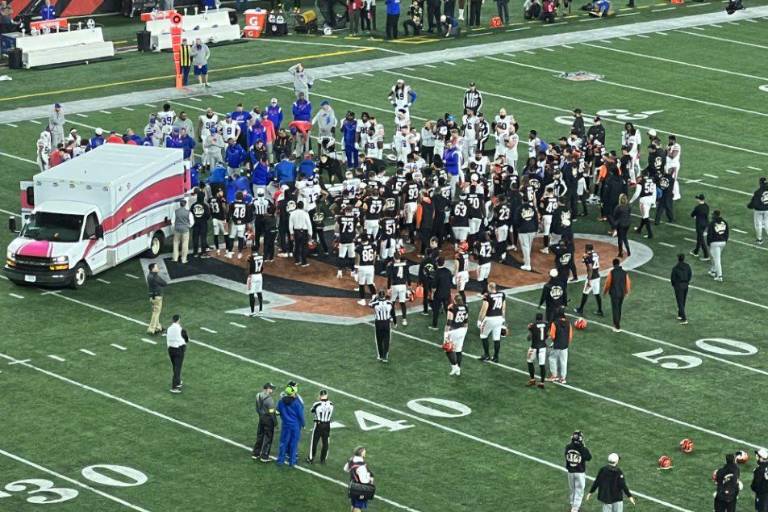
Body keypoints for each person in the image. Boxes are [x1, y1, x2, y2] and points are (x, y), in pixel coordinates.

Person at [276, 385, 305, 466]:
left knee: (283, 443)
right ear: (292, 393)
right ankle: (292, 462)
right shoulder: (296, 403)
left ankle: (280, 461)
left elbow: (277, 412)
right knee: (293, 443)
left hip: (285, 425)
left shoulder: (281, 401)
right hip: (295, 426)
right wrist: (303, 424)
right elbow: (300, 415)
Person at [478, 282, 506, 363]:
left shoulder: (488, 296)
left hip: (490, 318)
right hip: (499, 318)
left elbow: (484, 309)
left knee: (483, 335)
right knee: (497, 338)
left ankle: (486, 355)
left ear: (489, 287)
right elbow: (504, 308)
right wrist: (503, 319)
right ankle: (496, 357)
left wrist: (480, 320)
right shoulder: (502, 294)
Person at [565, 431, 592, 512]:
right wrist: (583, 446)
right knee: (579, 490)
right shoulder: (582, 448)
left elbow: (566, 455)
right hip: (580, 472)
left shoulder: (568, 447)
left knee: (572, 489)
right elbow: (589, 458)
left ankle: (572, 504)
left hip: (570, 472)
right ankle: (575, 508)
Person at [574, 244, 603, 317]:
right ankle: (600, 310)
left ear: (586, 249)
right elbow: (586, 261)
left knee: (585, 293)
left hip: (592, 278)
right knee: (597, 294)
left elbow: (590, 268)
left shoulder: (588, 256)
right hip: (597, 277)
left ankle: (580, 309)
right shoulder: (595, 254)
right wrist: (585, 258)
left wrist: (589, 280)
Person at [603, 258, 631, 333]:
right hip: (622, 293)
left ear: (613, 264)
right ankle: (617, 323)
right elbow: (628, 282)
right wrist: (627, 292)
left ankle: (616, 325)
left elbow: (608, 283)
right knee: (619, 308)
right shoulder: (624, 273)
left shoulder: (612, 272)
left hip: (614, 294)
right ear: (619, 264)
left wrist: (605, 292)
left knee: (615, 309)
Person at [307, 390, 334, 464]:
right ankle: (323, 459)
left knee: (314, 442)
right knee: (326, 442)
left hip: (319, 424)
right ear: (327, 395)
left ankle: (311, 458)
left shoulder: (317, 404)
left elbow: (312, 410)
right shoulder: (331, 404)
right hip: (327, 424)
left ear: (320, 395)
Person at [444, 294, 469, 376]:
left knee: (448, 349)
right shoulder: (465, 307)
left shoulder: (452, 307)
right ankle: (458, 370)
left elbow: (449, 322)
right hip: (462, 329)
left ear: (454, 300)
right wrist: (465, 331)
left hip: (453, 330)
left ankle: (455, 367)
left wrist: (446, 334)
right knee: (458, 350)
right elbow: (466, 321)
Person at [252, 383, 277, 462]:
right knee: (268, 438)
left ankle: (255, 453)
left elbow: (257, 408)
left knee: (260, 436)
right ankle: (264, 456)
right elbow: (272, 413)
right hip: (268, 420)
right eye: (271, 388)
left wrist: (261, 415)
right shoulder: (269, 400)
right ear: (268, 389)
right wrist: (275, 422)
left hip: (261, 418)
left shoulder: (258, 395)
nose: (272, 390)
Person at [345, 446, 374, 512]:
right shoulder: (361, 465)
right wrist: (370, 479)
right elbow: (363, 481)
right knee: (358, 507)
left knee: (353, 504)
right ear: (361, 454)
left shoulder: (352, 460)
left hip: (353, 486)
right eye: (364, 452)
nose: (365, 453)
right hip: (360, 488)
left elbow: (345, 469)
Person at [370, 290, 396, 362]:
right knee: (386, 339)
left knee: (379, 340)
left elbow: (369, 304)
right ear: (384, 296)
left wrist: (374, 298)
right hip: (386, 322)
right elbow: (393, 313)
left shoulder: (375, 303)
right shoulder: (390, 303)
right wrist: (395, 322)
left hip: (378, 323)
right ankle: (385, 356)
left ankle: (380, 355)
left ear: (378, 296)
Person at [547, 308, 572, 384]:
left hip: (557, 344)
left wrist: (553, 342)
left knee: (552, 358)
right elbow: (570, 336)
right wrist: (566, 343)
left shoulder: (554, 323)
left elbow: (552, 336)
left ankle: (554, 376)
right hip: (565, 345)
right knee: (564, 361)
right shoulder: (568, 323)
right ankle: (563, 378)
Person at [166, 314, 188, 394]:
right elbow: (186, 339)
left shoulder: (169, 329)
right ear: (178, 320)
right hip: (178, 350)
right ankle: (174, 387)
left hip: (170, 350)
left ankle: (178, 381)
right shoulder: (181, 329)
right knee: (177, 368)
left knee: (175, 367)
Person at [429, 257, 453, 330]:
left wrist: (432, 294)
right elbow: (451, 283)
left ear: (437, 263)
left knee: (436, 310)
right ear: (444, 262)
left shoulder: (436, 273)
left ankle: (434, 326)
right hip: (447, 293)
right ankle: (451, 325)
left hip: (438, 294)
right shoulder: (448, 271)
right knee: (447, 310)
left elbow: (434, 286)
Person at [526, 312, 548, 388]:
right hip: (543, 347)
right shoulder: (546, 324)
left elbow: (529, 338)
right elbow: (546, 335)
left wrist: (529, 329)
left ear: (536, 318)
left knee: (529, 361)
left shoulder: (533, 325)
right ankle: (542, 382)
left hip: (534, 347)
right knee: (542, 365)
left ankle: (532, 379)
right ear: (542, 318)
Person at [706, 209, 729, 282]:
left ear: (714, 215)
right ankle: (713, 270)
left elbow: (709, 234)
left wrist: (709, 243)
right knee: (715, 257)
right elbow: (727, 233)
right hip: (723, 242)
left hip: (715, 243)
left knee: (717, 259)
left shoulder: (712, 223)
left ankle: (719, 276)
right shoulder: (724, 222)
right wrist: (725, 240)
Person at [670, 253, 692, 325]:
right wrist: (687, 282)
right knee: (683, 301)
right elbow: (690, 274)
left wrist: (674, 285)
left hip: (679, 286)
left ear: (678, 259)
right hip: (685, 285)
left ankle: (684, 319)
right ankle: (680, 315)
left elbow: (673, 278)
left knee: (680, 302)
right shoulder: (687, 266)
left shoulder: (675, 268)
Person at [289, 200, 313, 267]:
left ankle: (297, 261)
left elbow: (290, 225)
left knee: (296, 246)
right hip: (303, 232)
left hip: (296, 232)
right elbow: (309, 224)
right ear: (303, 206)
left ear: (296, 206)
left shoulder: (292, 213)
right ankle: (304, 262)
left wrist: (291, 233)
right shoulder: (305, 213)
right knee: (304, 247)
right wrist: (310, 234)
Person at [146, 263, 167, 335]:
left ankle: (158, 327)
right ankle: (151, 329)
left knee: (155, 312)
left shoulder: (150, 275)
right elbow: (164, 283)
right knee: (156, 313)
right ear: (153, 269)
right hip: (157, 297)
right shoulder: (154, 276)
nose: (158, 268)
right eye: (156, 267)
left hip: (152, 296)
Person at [171, 199, 194, 264]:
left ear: (180, 204)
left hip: (177, 229)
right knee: (185, 244)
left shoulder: (176, 211)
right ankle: (183, 259)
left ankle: (175, 258)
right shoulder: (188, 212)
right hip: (185, 230)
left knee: (175, 243)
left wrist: (175, 227)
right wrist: (188, 226)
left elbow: (172, 221)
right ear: (185, 204)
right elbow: (192, 222)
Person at [747, 177, 768, 245]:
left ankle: (759, 239)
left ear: (760, 183)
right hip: (767, 209)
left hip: (759, 210)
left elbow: (754, 203)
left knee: (758, 224)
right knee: (767, 223)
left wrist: (749, 206)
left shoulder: (758, 192)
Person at [690, 194, 710, 260]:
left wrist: (695, 217)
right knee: (699, 238)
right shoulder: (706, 206)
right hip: (705, 224)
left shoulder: (698, 207)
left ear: (699, 199)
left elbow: (692, 215)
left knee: (701, 239)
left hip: (699, 225)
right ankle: (696, 252)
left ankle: (706, 255)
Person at [190, 192, 210, 257]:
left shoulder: (193, 205)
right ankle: (203, 252)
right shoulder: (205, 206)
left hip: (195, 223)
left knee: (195, 238)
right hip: (203, 223)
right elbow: (208, 215)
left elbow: (190, 214)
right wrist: (204, 219)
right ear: (203, 197)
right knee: (203, 238)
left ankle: (195, 252)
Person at [247, 252, 265, 316]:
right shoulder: (261, 256)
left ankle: (252, 312)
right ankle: (261, 310)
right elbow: (262, 267)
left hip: (253, 276)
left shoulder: (252, 257)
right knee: (259, 293)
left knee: (251, 294)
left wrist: (249, 274)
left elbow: (251, 267)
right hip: (259, 275)